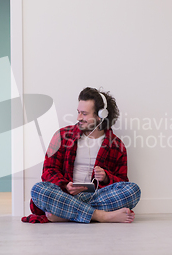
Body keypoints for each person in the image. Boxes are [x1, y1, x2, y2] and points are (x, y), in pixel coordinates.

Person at [23, 87, 141, 224]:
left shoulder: (116, 145)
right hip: (65, 194)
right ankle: (100, 216)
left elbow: (122, 183)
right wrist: (66, 186)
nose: (79, 117)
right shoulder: (62, 136)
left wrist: (106, 177)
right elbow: (48, 172)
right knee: (39, 190)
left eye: (84, 114)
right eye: (78, 112)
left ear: (101, 115)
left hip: (95, 196)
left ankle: (64, 214)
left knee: (133, 191)